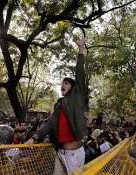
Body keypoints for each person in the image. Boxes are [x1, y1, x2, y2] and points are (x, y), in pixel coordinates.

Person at [26, 38, 87, 175]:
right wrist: (35, 137)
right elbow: (50, 123)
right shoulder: (59, 104)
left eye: (66, 83)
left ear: (73, 87)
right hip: (60, 151)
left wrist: (80, 49)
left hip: (74, 155)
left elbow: (80, 75)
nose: (62, 85)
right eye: (62, 83)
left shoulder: (76, 97)